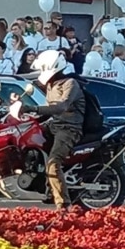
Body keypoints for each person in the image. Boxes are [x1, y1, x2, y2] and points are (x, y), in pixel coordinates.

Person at [18, 50, 86, 211]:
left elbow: (61, 107)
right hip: (54, 124)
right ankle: (42, 182)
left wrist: (33, 108)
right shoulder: (51, 84)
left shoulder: (70, 83)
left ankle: (63, 204)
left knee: (54, 163)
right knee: (24, 138)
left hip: (69, 128)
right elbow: (50, 110)